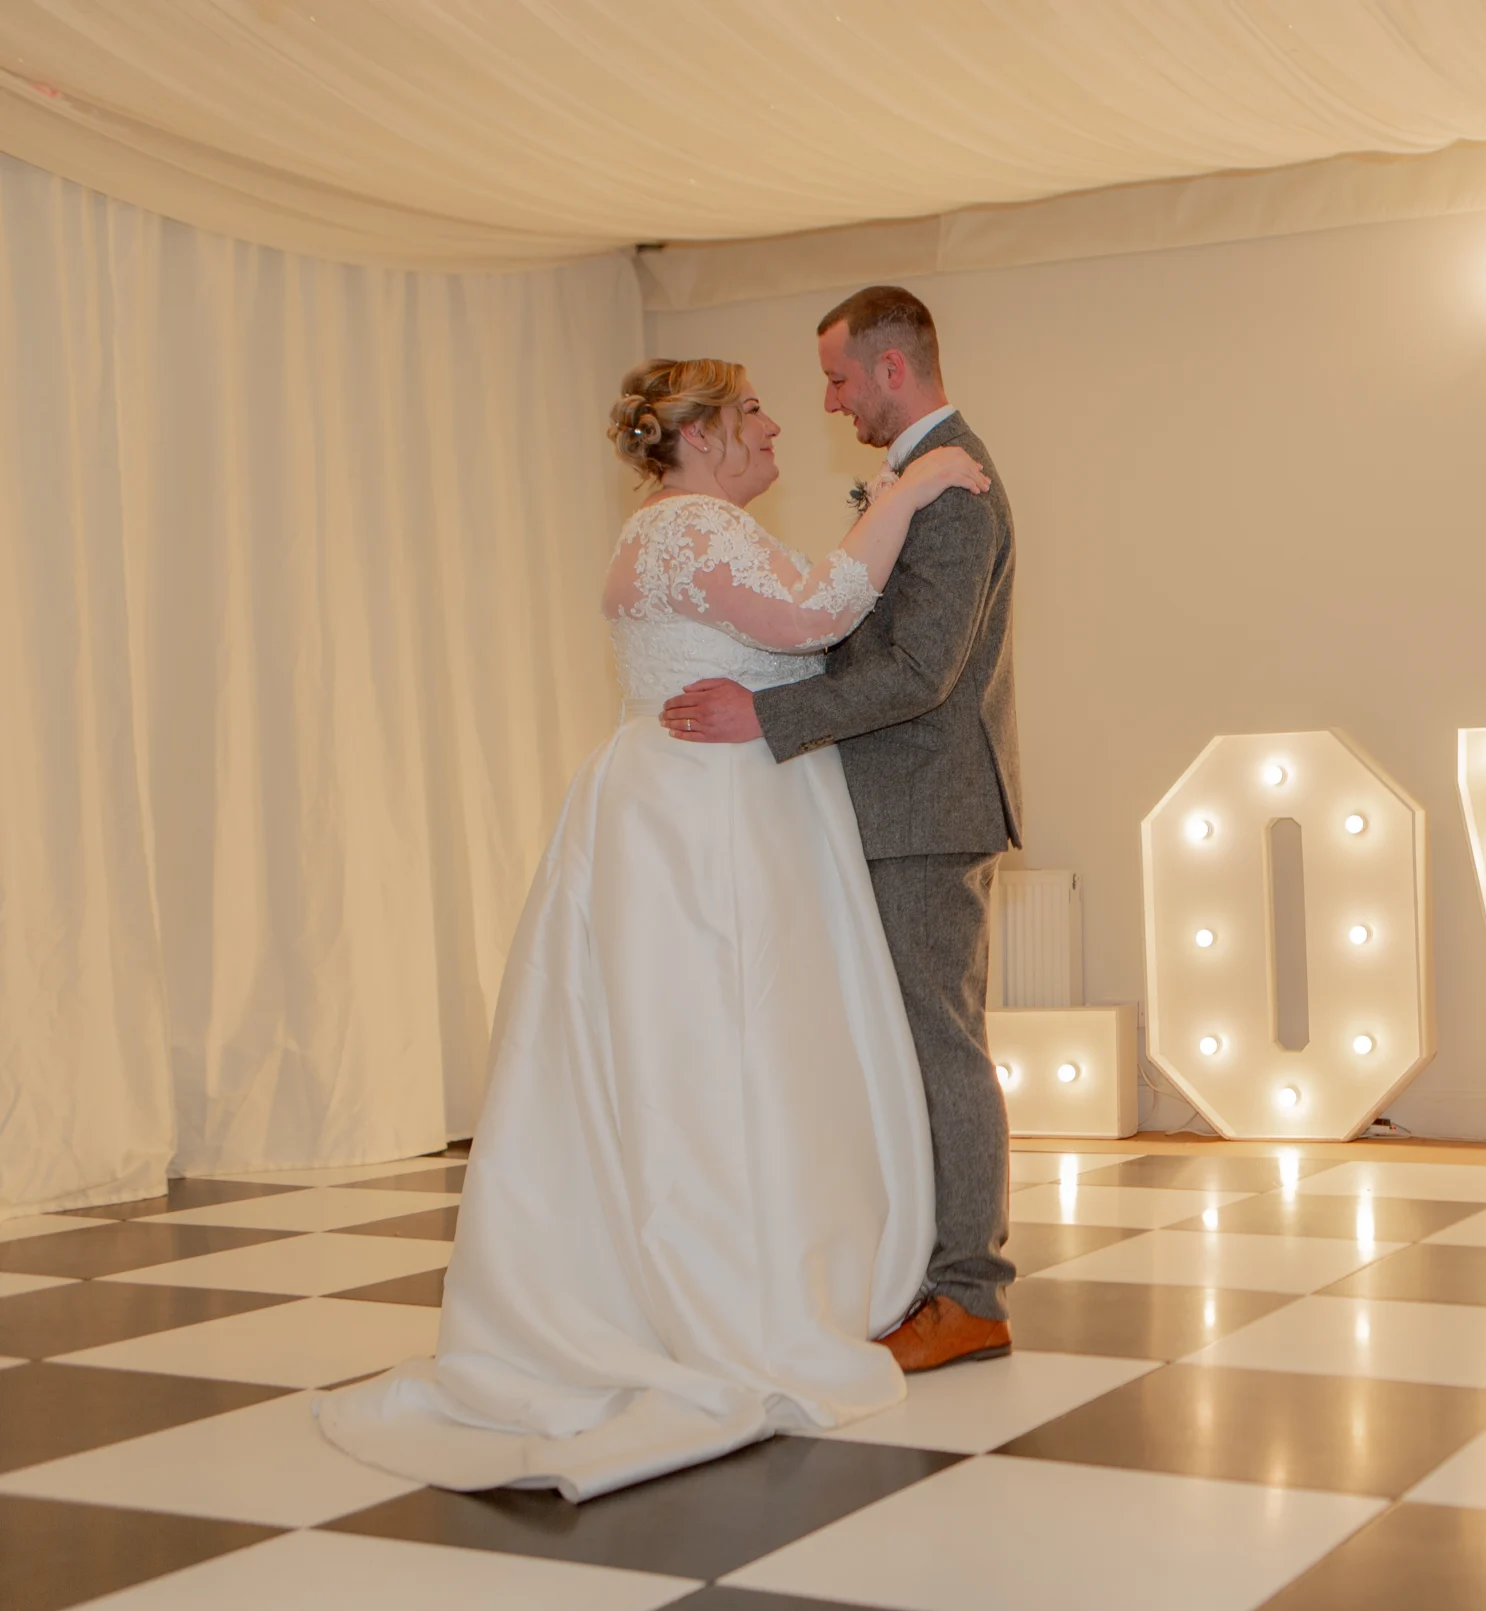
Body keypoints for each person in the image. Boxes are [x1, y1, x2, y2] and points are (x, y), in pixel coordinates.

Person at [317, 358, 989, 1500]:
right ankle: (730, 1278)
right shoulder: (690, 527)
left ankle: (683, 1257)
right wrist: (907, 497)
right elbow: (817, 614)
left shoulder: (680, 526)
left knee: (687, 1038)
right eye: (758, 411)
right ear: (710, 434)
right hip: (710, 811)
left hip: (693, 791)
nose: (780, 423)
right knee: (728, 1035)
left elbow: (794, 635)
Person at [662, 287, 1021, 1374]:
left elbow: (921, 673)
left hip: (921, 809)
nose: (827, 403)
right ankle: (920, 1272)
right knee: (900, 1047)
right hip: (886, 805)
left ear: (891, 370)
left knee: (942, 1050)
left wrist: (765, 713)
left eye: (836, 380)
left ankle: (970, 1293)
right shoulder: (924, 481)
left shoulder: (955, 489)